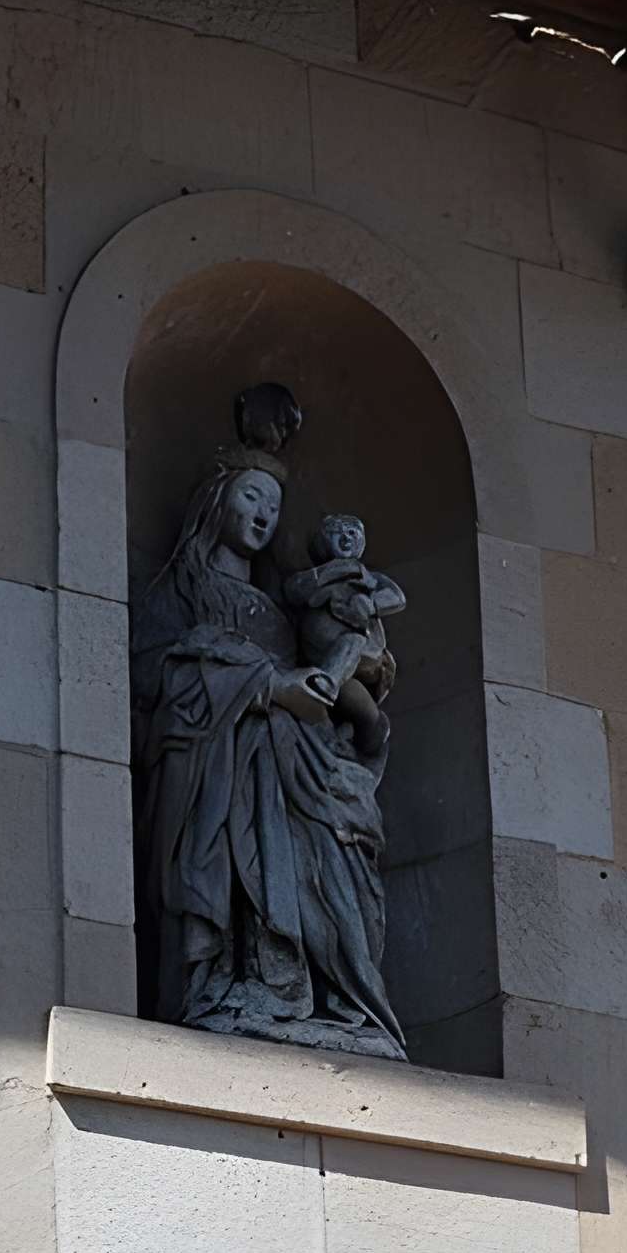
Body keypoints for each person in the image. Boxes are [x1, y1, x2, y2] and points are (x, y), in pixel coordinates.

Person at [128, 390, 407, 1060]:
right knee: (245, 820)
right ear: (218, 501)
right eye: (252, 497)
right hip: (226, 768)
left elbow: (337, 678)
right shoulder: (179, 592)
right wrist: (267, 688)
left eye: (274, 505)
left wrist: (348, 701)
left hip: (303, 767)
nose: (264, 514)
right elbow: (157, 677)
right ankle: (233, 983)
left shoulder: (285, 608)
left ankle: (332, 998)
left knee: (339, 845)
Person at [283, 511, 404, 760]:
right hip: (316, 654)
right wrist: (323, 580)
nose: (347, 538)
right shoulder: (317, 575)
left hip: (362, 655)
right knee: (349, 706)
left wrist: (371, 605)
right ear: (324, 540)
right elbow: (293, 590)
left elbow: (396, 596)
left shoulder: (368, 578)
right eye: (339, 532)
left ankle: (327, 684)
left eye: (352, 532)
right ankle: (339, 735)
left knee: (352, 641)